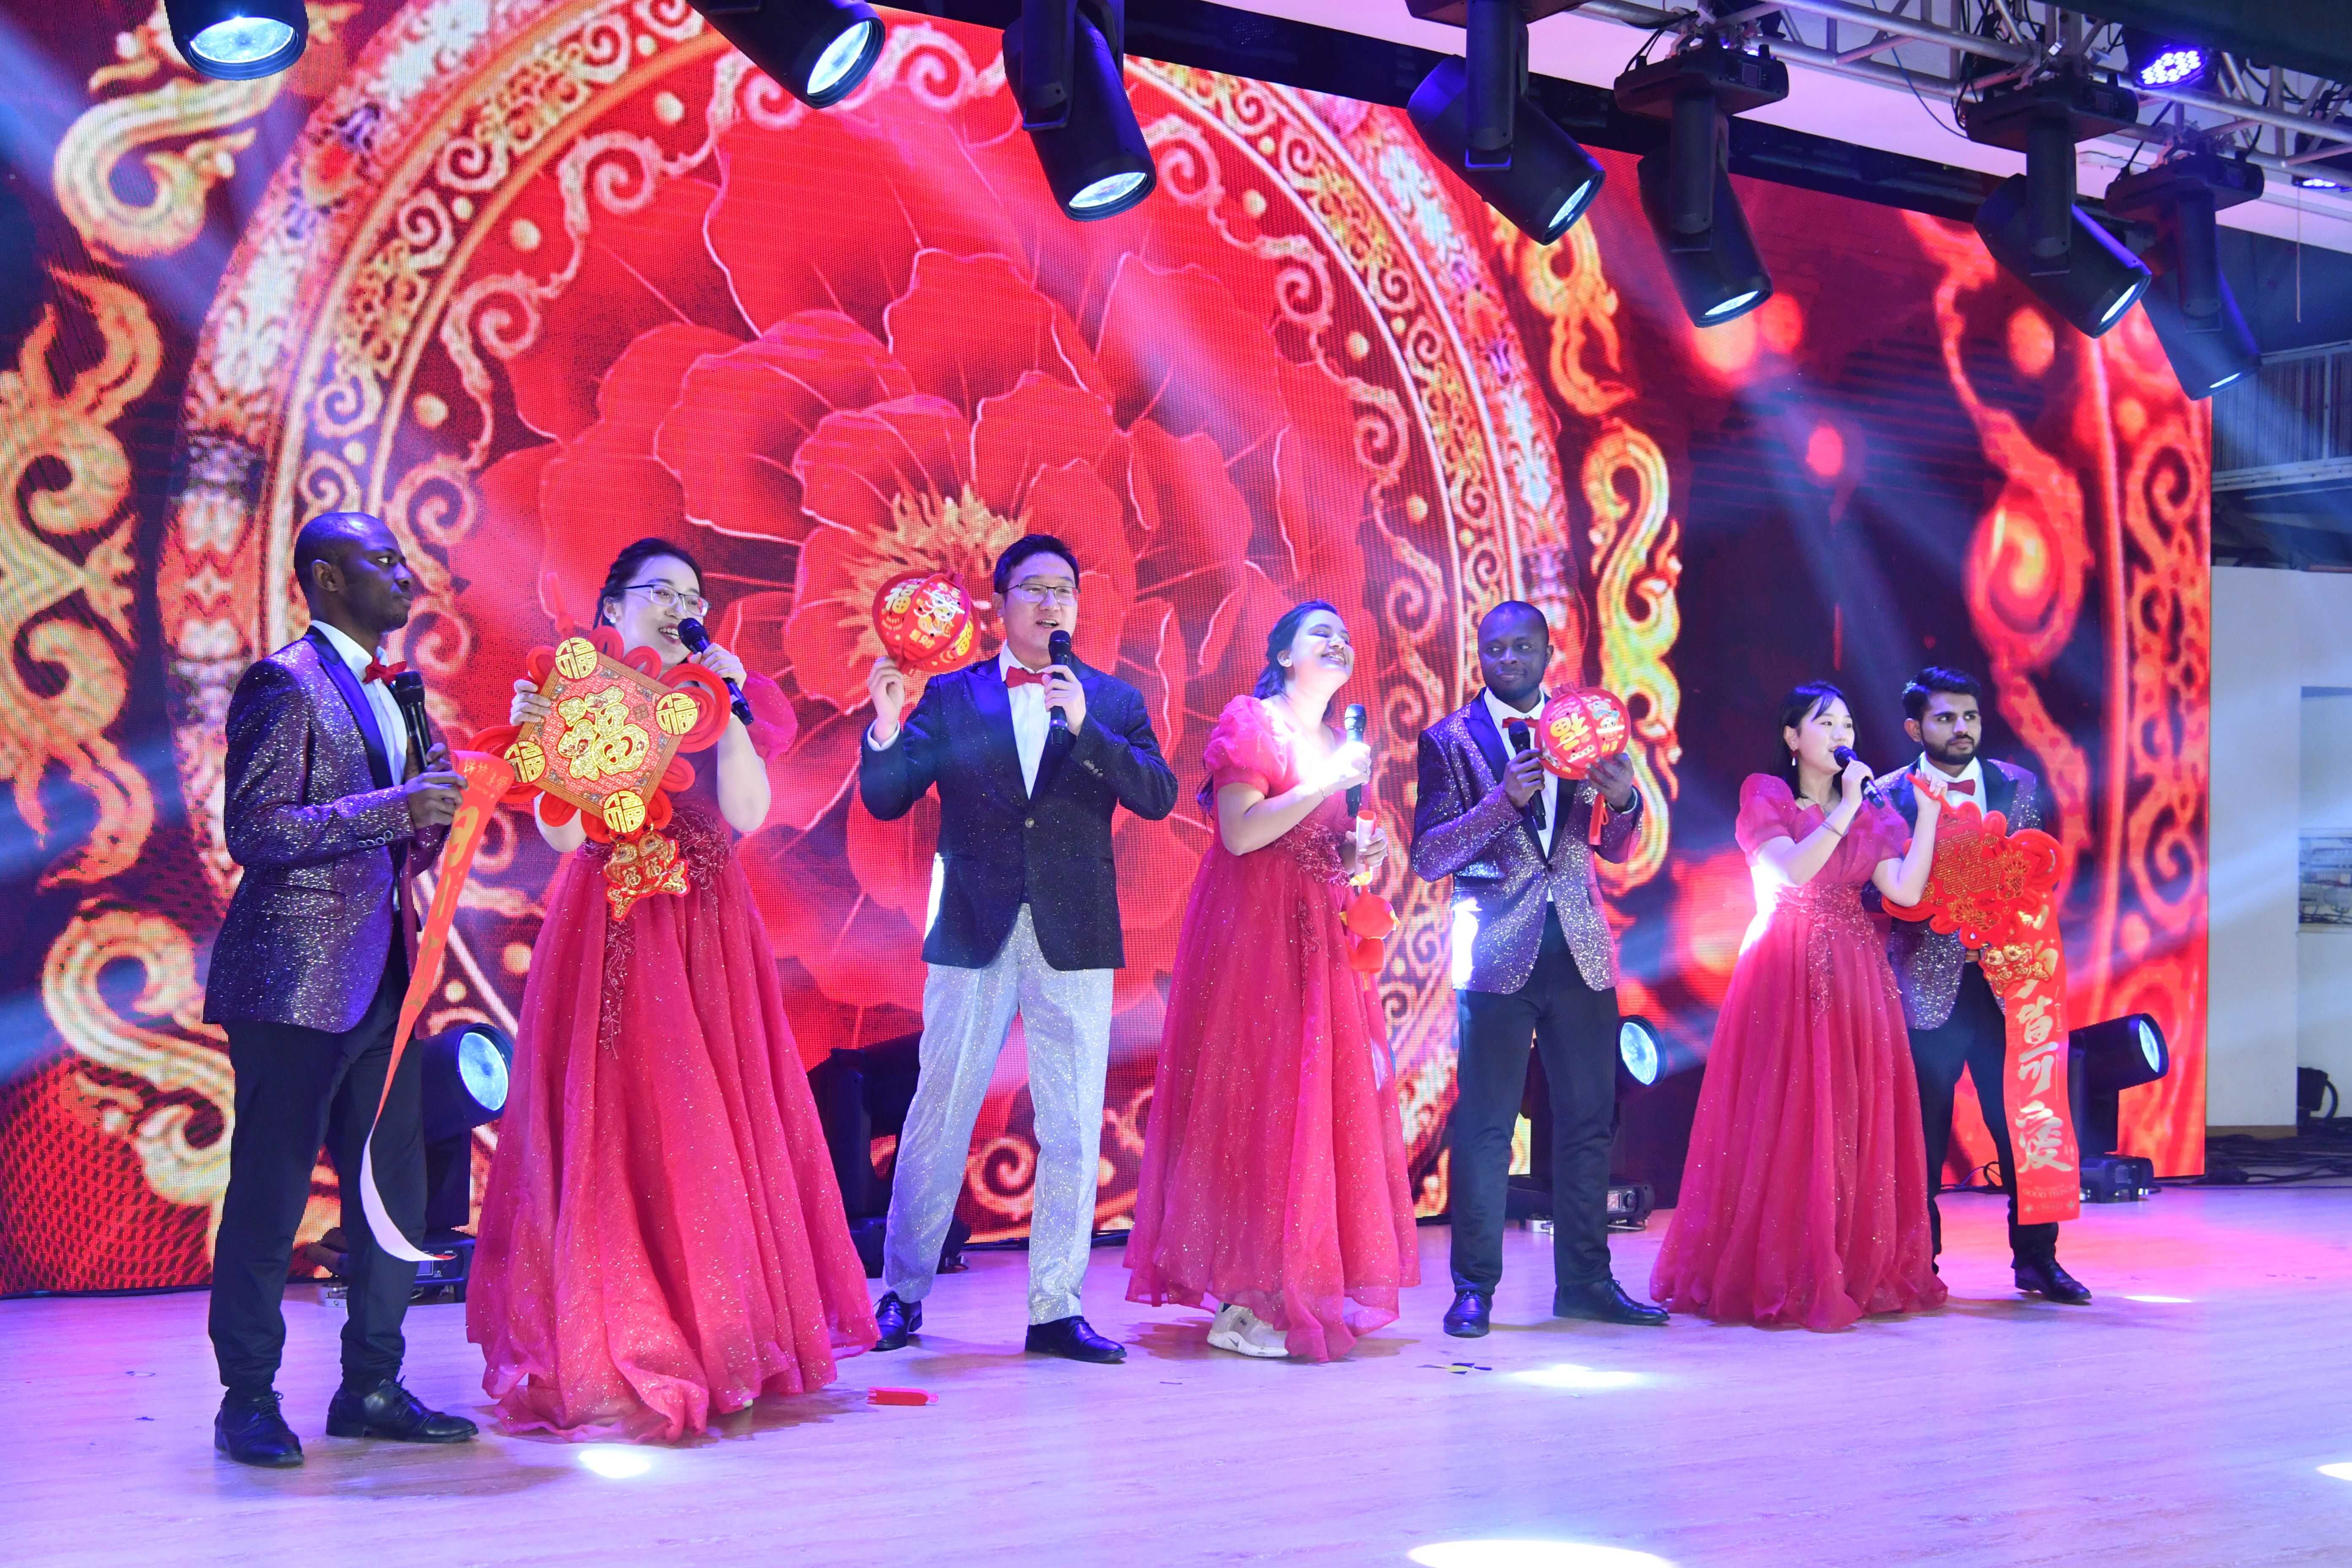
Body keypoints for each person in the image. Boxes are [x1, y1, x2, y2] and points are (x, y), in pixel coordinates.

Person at [468, 537, 877, 1441]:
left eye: (693, 596)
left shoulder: (726, 692)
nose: (681, 608)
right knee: (617, 1120)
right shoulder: (587, 689)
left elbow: (746, 814)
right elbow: (565, 837)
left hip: (707, 927)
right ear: (613, 604)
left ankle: (722, 1334)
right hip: (612, 926)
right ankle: (620, 1332)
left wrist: (724, 706)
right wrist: (544, 738)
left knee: (709, 1123)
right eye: (662, 592)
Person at [859, 534, 1179, 1364]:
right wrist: (887, 729)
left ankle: (1056, 1309)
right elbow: (889, 798)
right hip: (973, 926)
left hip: (1075, 932)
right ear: (1000, 603)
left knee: (1071, 1121)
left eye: (1064, 588)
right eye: (1033, 587)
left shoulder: (1110, 699)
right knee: (941, 1107)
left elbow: (1158, 794)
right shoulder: (953, 694)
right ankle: (902, 1290)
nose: (1050, 602)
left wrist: (1088, 729)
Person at [204, 511, 476, 1467]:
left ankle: (371, 1384)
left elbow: (402, 846)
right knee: (272, 1191)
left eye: (404, 559)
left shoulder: (400, 689)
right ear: (325, 578)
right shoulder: (284, 681)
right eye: (383, 561)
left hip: (384, 976)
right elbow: (257, 830)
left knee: (393, 1193)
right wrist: (395, 806)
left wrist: (430, 817)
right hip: (291, 980)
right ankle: (247, 1397)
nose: (406, 575)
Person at [1124, 601, 1421, 1361]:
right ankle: (1242, 1298)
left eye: (1345, 637)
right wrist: (1324, 782)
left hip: (1316, 936)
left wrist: (1357, 856)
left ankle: (1285, 1284)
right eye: (1321, 634)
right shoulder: (1253, 720)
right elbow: (1242, 831)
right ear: (1285, 654)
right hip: (1254, 937)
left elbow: (1318, 848)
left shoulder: (1338, 743)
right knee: (1260, 1099)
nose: (1339, 643)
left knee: (1307, 1105)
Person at [1650, 682, 1949, 1331]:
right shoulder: (1768, 794)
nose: (1842, 736)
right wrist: (1848, 807)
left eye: (1848, 725)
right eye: (1826, 724)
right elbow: (1792, 871)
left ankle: (1844, 1261)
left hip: (1856, 971)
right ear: (1793, 737)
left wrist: (1927, 817)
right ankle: (1780, 1267)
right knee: (1785, 1115)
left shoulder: (1867, 811)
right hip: (1783, 967)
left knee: (1848, 1113)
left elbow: (1904, 890)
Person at [1409, 601, 1663, 1337]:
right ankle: (1474, 1290)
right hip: (1494, 955)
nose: (1509, 659)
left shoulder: (1587, 727)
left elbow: (1616, 847)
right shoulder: (1450, 740)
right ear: (1480, 655)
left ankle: (1587, 1283)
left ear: (1549, 652)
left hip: (1579, 949)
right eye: (1495, 649)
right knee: (1486, 1128)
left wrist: (1623, 800)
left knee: (1587, 1122)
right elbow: (1430, 855)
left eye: (1522, 646)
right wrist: (1502, 802)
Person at [1879, 667, 2091, 1304]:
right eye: (1946, 718)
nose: (1962, 728)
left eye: (1969, 716)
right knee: (1922, 1136)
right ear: (1915, 727)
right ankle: (1919, 1263)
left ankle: (2038, 1260)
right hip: (1926, 986)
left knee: (2025, 1123)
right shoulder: (1887, 795)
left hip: (2009, 986)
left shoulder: (2018, 783)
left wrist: (1997, 889)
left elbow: (2040, 870)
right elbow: (1875, 891)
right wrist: (1942, 887)